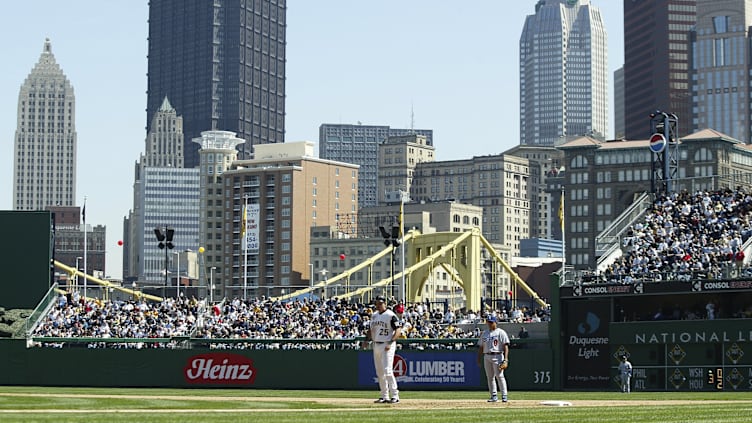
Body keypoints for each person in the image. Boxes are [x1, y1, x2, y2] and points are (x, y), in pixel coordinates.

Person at [366, 295, 402, 404]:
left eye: (380, 303)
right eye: (377, 303)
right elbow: (370, 330)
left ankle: (395, 395)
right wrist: (366, 340)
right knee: (380, 372)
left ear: (385, 303)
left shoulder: (390, 315)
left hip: (387, 344)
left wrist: (391, 342)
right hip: (376, 344)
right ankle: (384, 396)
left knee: (387, 370)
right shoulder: (374, 315)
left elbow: (398, 330)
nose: (379, 305)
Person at [477, 315, 510, 403]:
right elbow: (481, 347)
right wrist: (479, 358)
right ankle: (493, 395)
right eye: (488, 322)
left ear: (496, 322)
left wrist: (506, 359)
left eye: (491, 322)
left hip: (497, 355)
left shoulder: (501, 332)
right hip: (487, 356)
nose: (489, 324)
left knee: (500, 376)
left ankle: (504, 395)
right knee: (490, 377)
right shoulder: (485, 333)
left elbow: (505, 346)